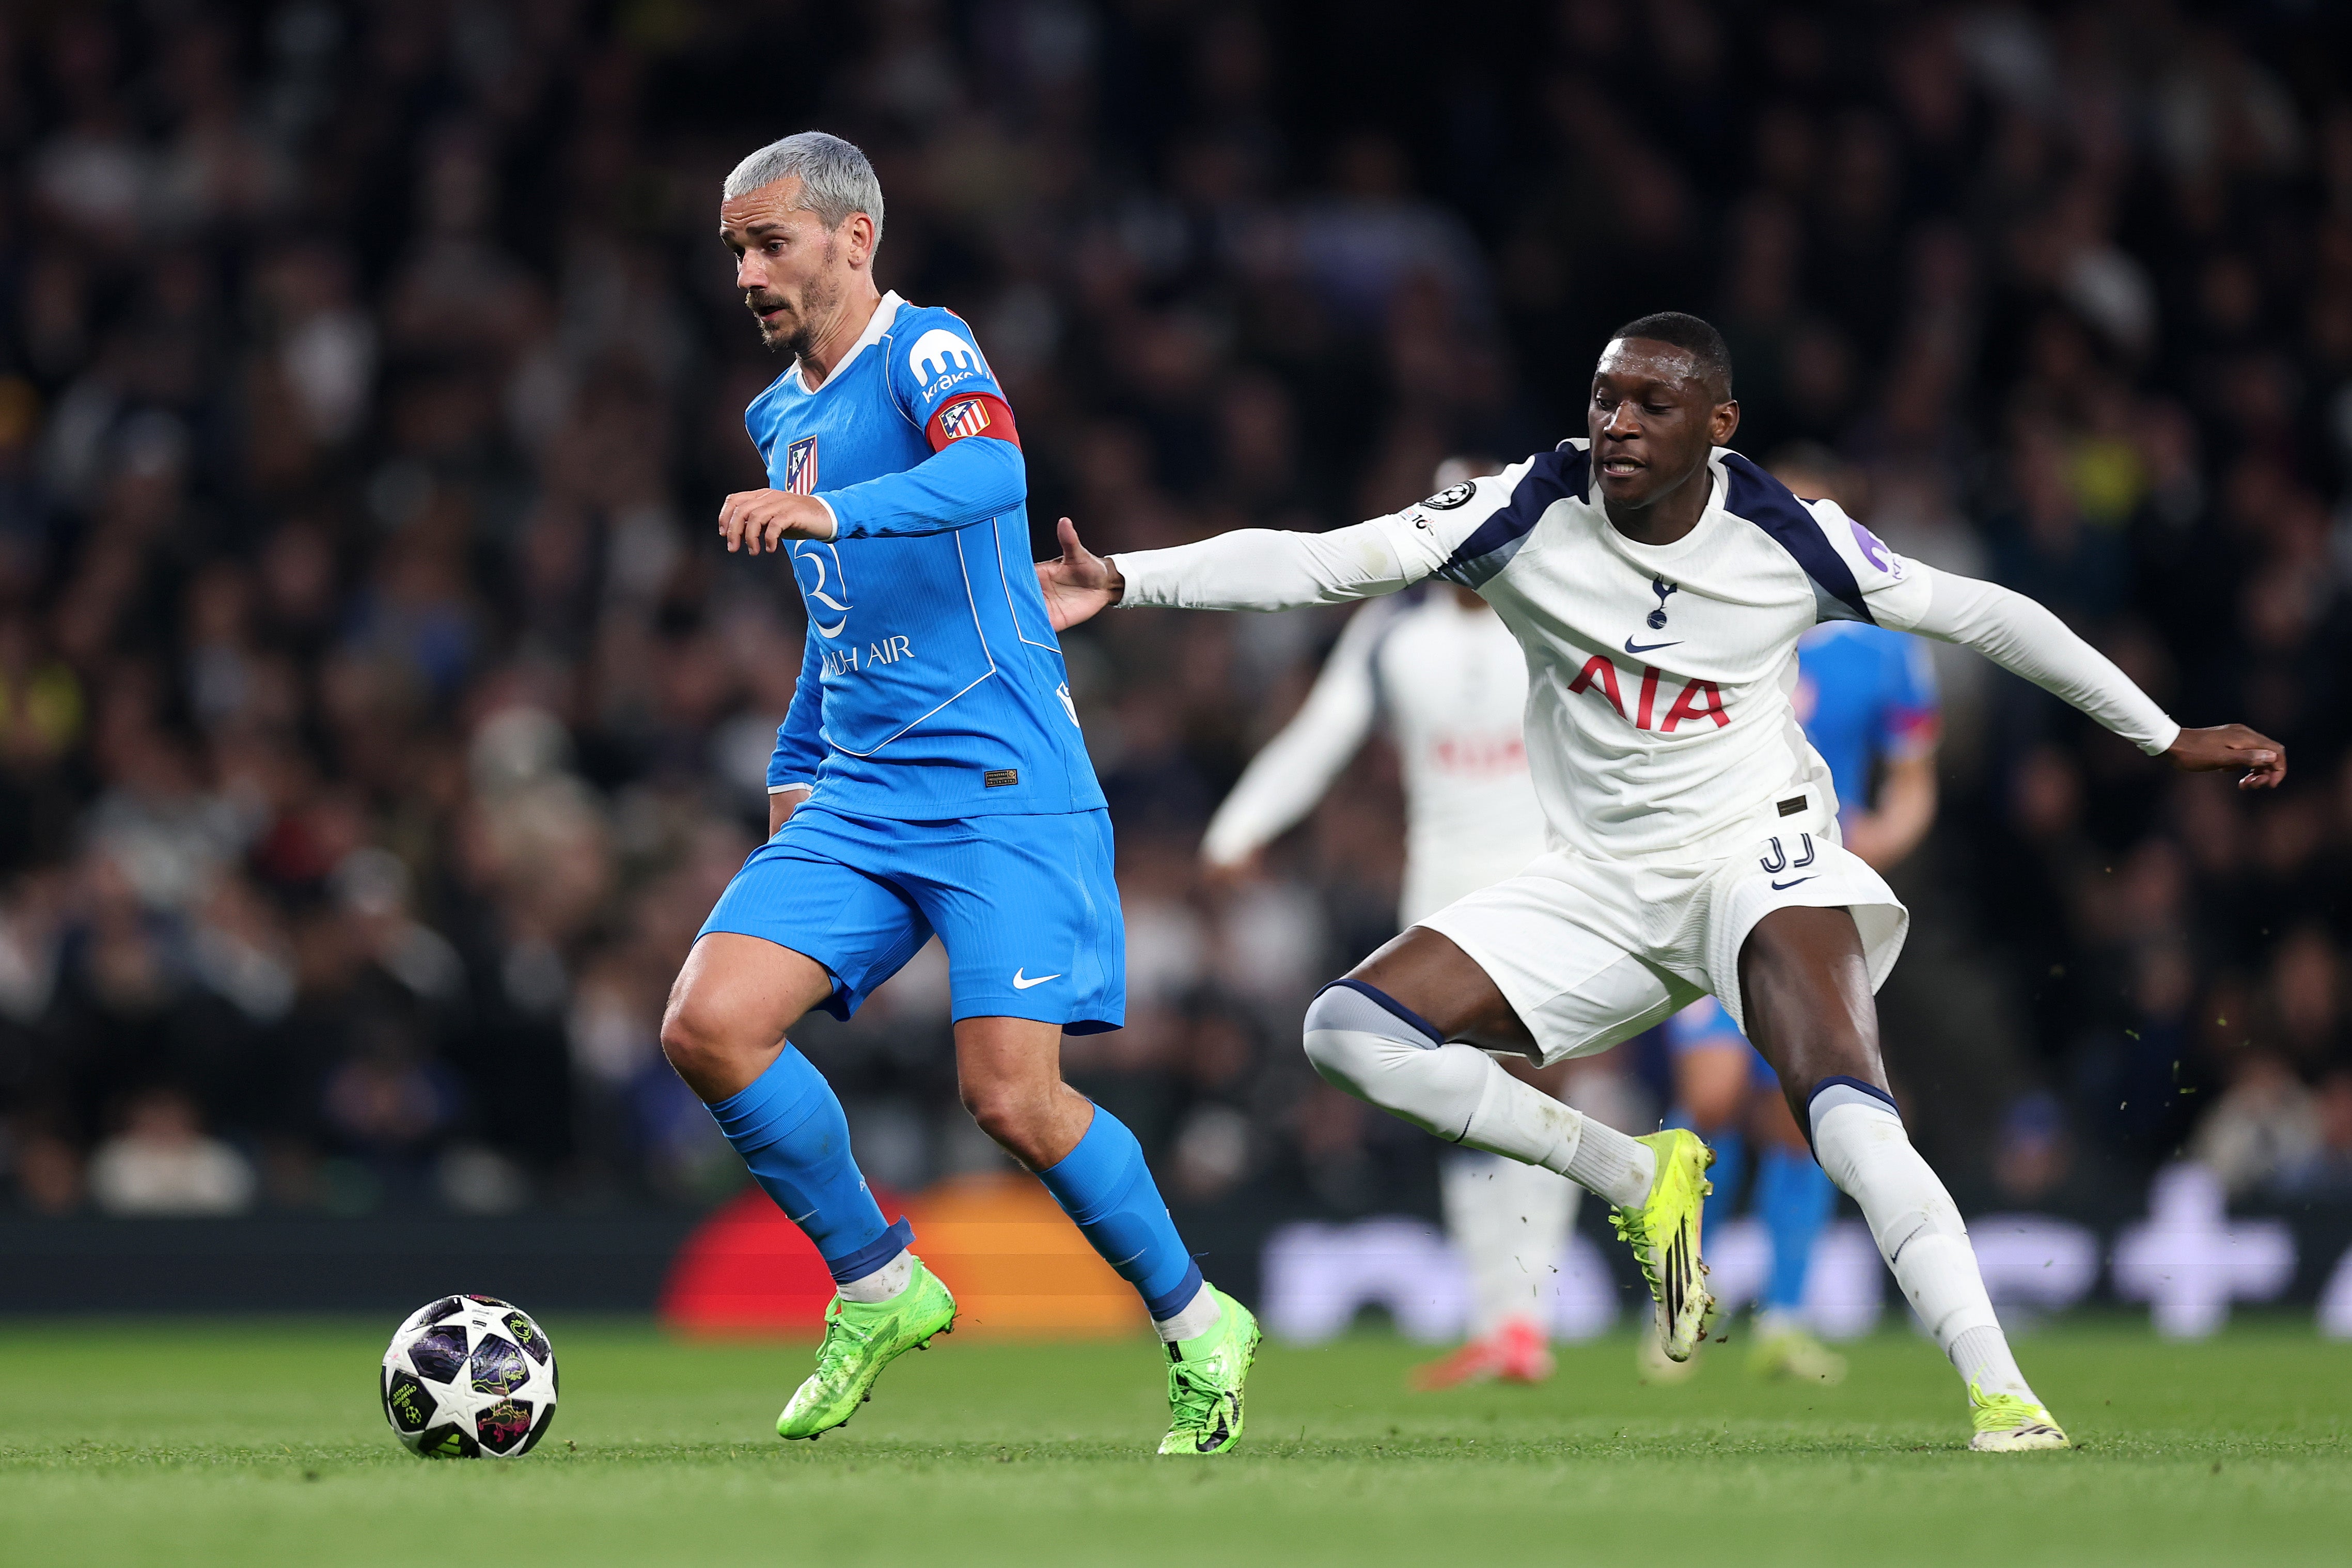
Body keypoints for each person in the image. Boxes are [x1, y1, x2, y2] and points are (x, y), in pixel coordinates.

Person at [1037, 311, 2287, 1451]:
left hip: (1762, 851)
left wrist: (2160, 734)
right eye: (1604, 398)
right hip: (1593, 882)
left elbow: (1984, 614)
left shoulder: (1788, 535)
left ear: (1718, 427)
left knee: (1844, 1110)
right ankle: (1638, 1177)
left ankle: (2002, 1392)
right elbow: (1326, 563)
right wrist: (1131, 578)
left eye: (1650, 404)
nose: (1616, 424)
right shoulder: (1522, 509)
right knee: (1348, 1033)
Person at [661, 131, 1258, 1456]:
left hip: (1002, 785)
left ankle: (1199, 1322)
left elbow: (994, 474)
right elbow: (836, 624)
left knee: (1012, 1100)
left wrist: (830, 513)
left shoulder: (927, 346)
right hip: (861, 791)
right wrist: (791, 771)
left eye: (771, 242)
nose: (750, 272)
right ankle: (879, 1282)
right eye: (736, 251)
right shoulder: (779, 415)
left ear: (851, 238)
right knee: (710, 1025)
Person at [1199, 457, 1590, 1389]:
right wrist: (1239, 827)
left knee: (1542, 1088)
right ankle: (1504, 1326)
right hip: (1439, 896)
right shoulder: (1389, 631)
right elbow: (1320, 734)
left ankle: (1523, 1323)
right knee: (1451, 1108)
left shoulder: (1555, 611)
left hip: (1547, 881)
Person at [1655, 447, 1943, 1387]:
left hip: (1815, 894)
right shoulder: (1700, 621)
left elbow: (1912, 790)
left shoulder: (1884, 646)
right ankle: (1675, 1306)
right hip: (1708, 890)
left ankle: (1782, 1316)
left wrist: (1871, 847)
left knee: (1799, 1115)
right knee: (1705, 1100)